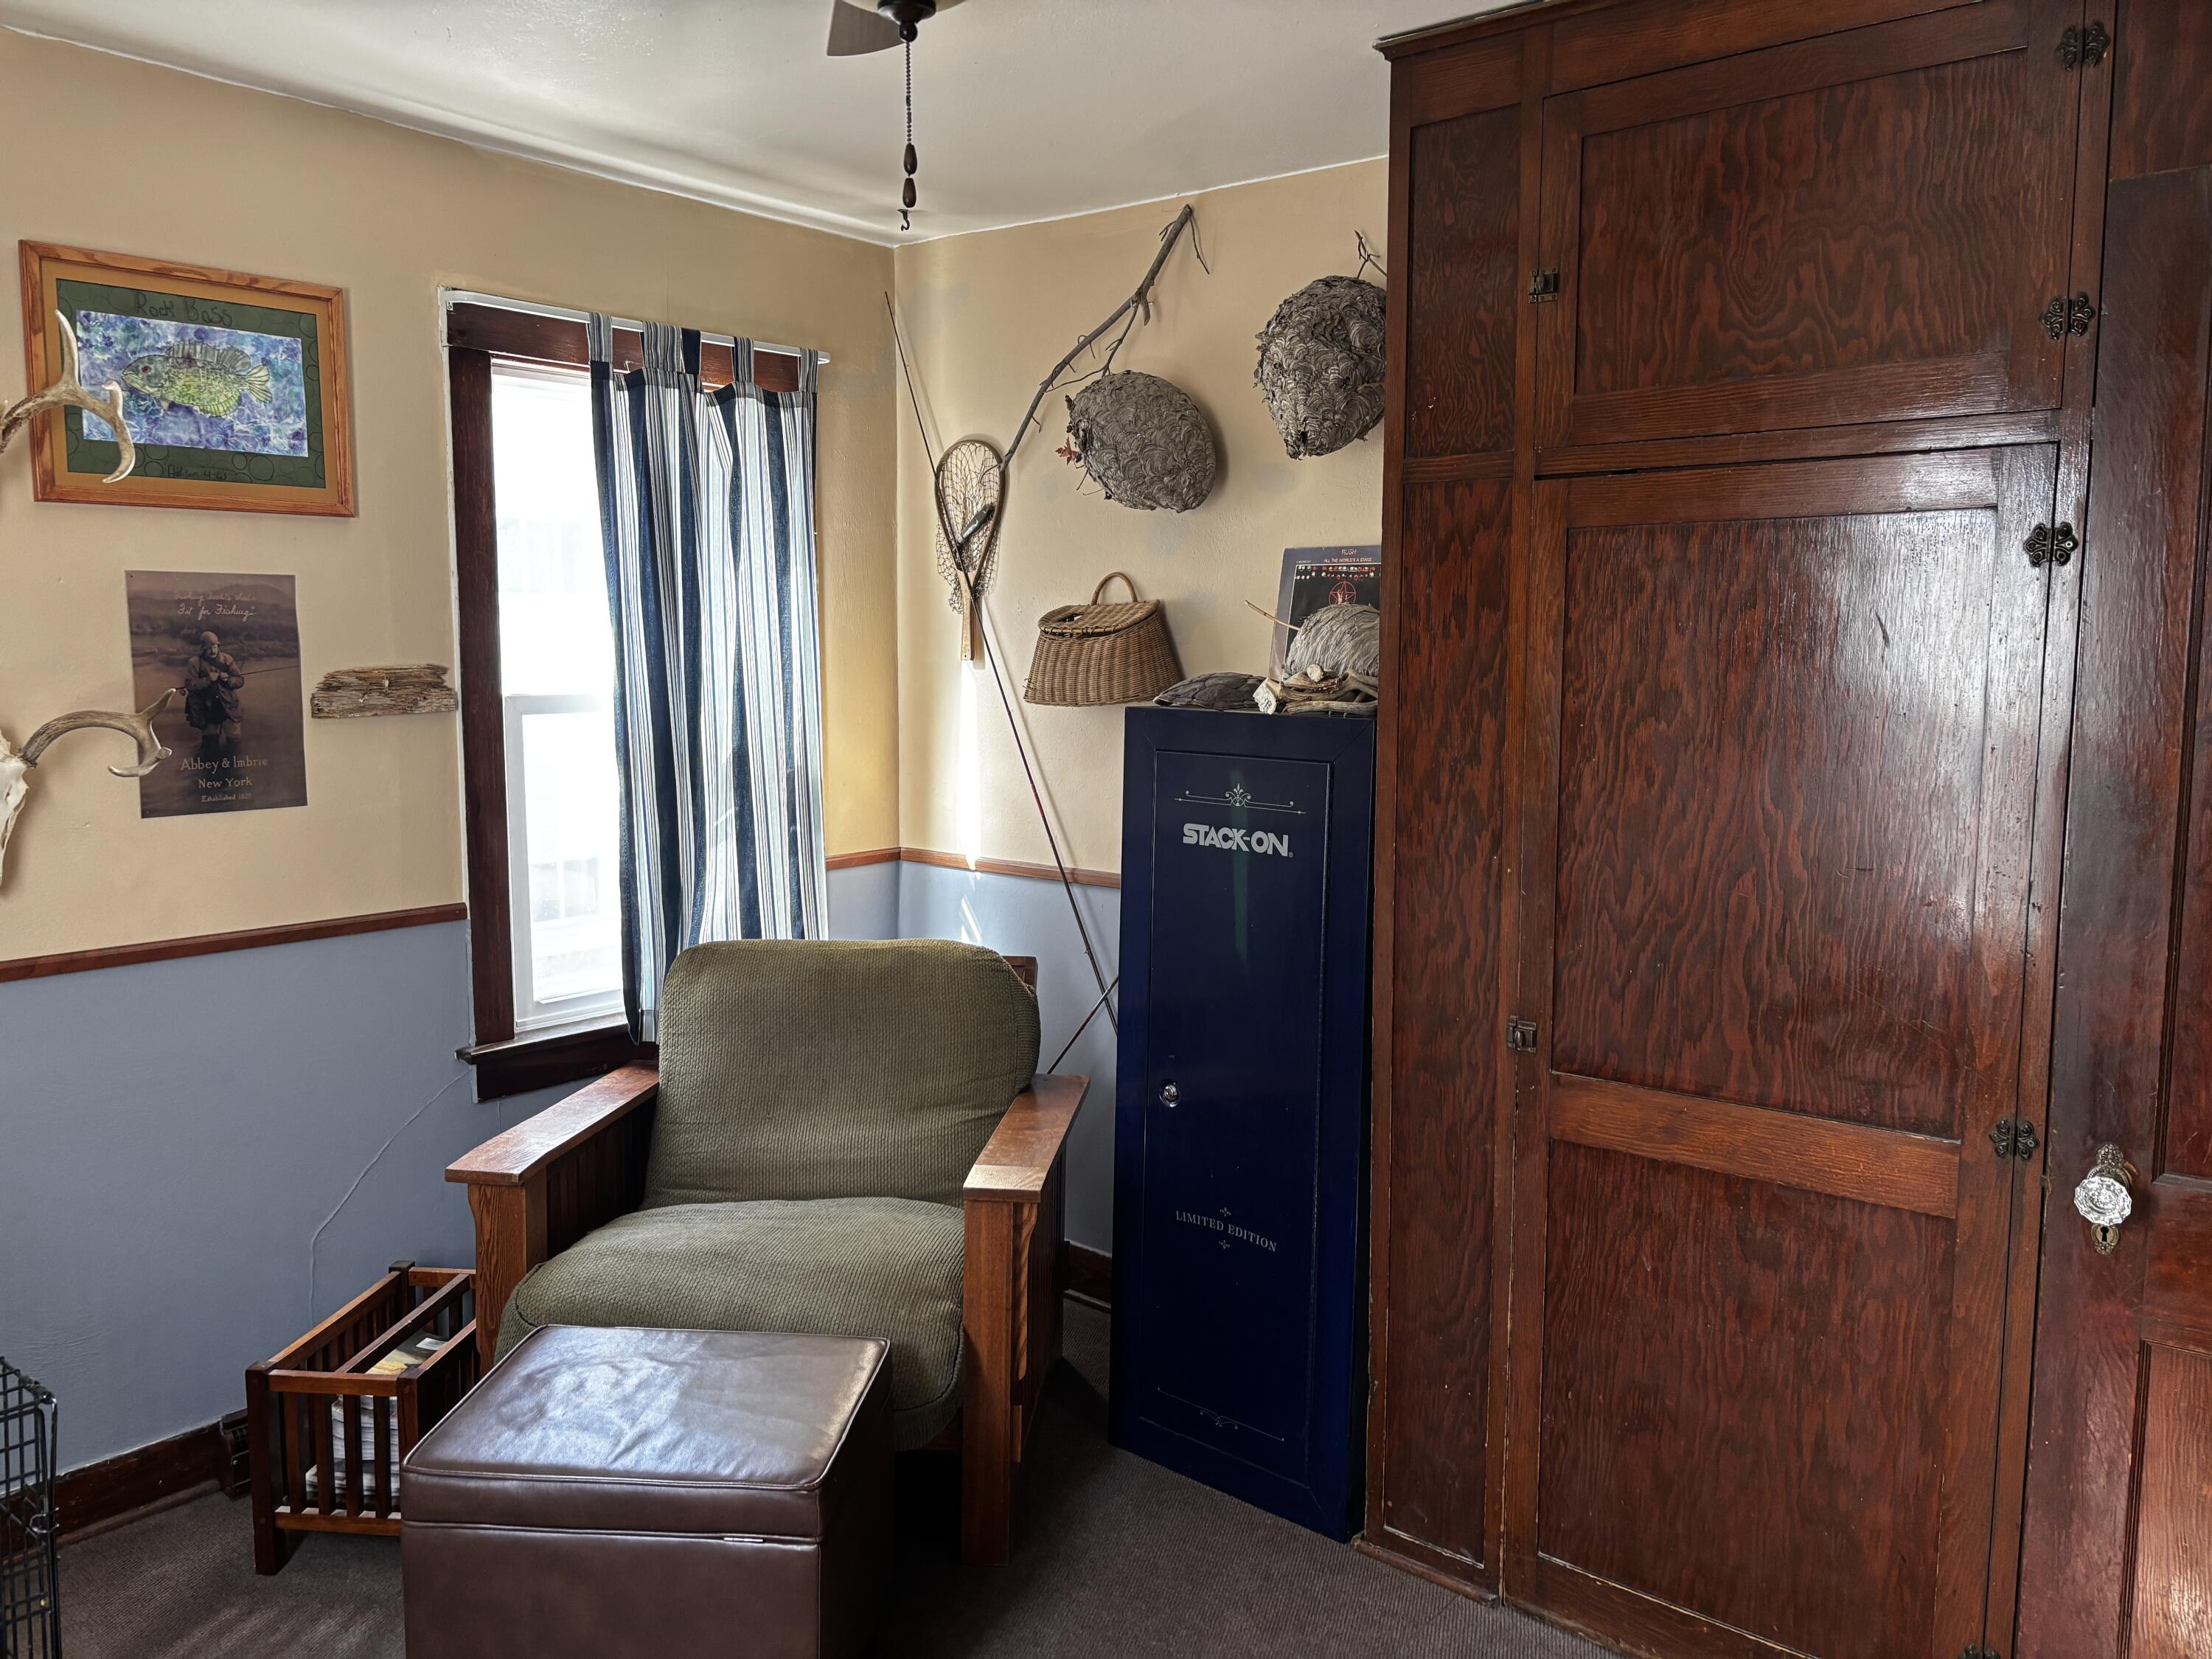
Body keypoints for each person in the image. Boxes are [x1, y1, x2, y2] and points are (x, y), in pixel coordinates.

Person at [180, 630, 244, 745]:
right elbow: (190, 685)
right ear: (204, 648)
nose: (213, 651)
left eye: (215, 647)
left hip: (228, 706)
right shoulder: (195, 662)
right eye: (210, 648)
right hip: (207, 708)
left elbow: (240, 681)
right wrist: (208, 680)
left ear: (218, 646)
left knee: (235, 739)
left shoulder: (227, 659)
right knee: (210, 742)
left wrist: (228, 679)